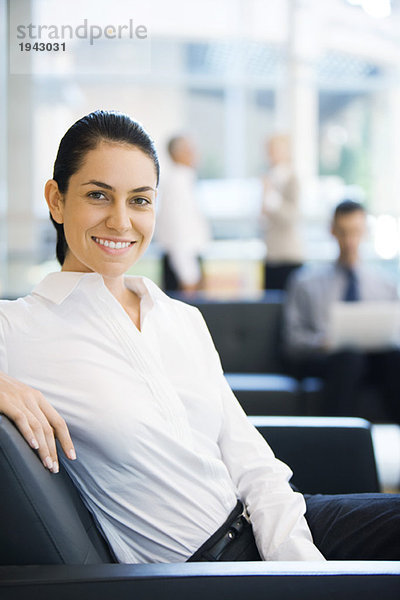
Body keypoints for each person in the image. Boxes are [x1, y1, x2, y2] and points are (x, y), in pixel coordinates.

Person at [0, 112, 398, 564]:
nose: (121, 221)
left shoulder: (180, 317)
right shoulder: (19, 328)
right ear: (56, 199)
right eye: (97, 195)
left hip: (275, 528)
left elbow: (250, 459)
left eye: (140, 201)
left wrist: (298, 564)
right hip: (206, 568)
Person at [283, 199, 400, 421]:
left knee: (395, 357)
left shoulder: (385, 284)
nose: (349, 241)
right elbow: (292, 340)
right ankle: (337, 443)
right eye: (343, 232)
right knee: (349, 358)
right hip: (326, 360)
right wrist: (321, 342)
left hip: (376, 361)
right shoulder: (305, 282)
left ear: (365, 231)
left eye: (355, 232)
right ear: (332, 231)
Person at [156, 135, 210, 293]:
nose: (196, 154)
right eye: (190, 149)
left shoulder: (186, 179)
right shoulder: (176, 182)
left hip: (187, 258)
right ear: (178, 153)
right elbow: (178, 230)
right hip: (183, 263)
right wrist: (188, 275)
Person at [261, 134, 304, 291]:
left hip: (288, 255)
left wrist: (271, 197)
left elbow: (292, 216)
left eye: (275, 149)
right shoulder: (268, 178)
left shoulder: (292, 179)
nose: (271, 153)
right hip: (271, 254)